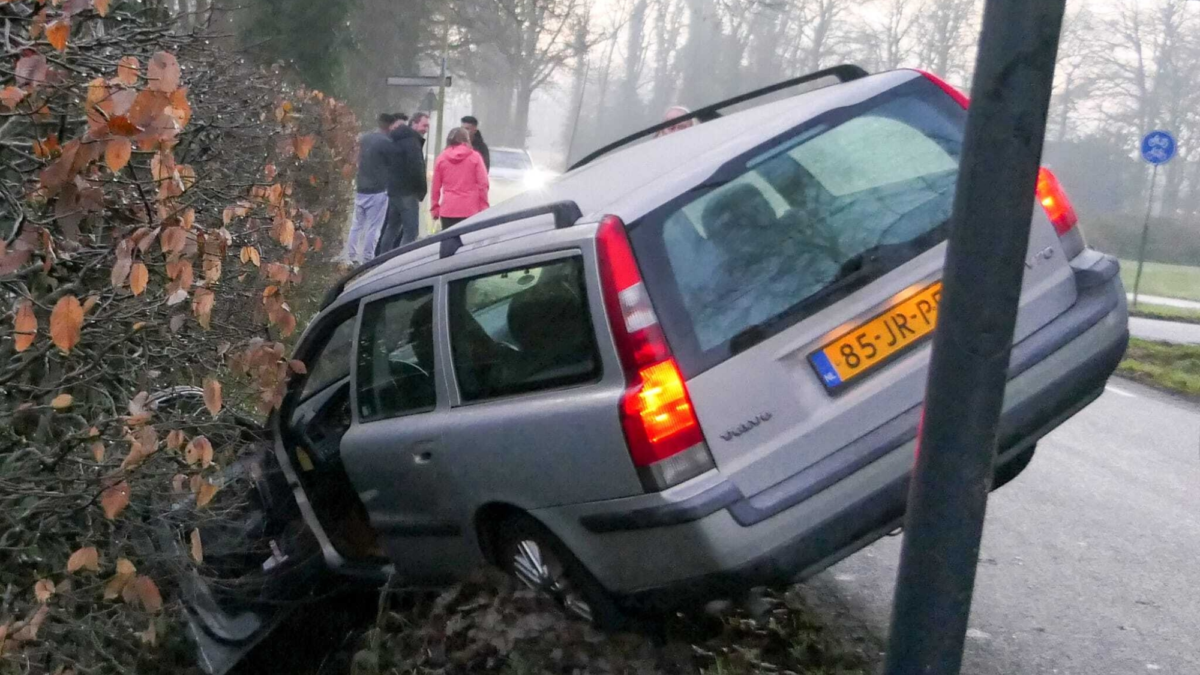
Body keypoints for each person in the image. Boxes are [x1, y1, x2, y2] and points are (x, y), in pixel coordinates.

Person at [341, 112, 402, 265]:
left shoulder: (364, 138)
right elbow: (395, 165)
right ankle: (368, 258)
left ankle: (351, 256)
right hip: (378, 190)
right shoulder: (387, 143)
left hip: (361, 187)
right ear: (391, 125)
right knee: (374, 227)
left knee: (356, 225)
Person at [376, 112, 430, 255]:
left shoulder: (394, 138)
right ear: (414, 123)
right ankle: (401, 263)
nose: (426, 129)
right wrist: (422, 190)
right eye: (424, 125)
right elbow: (417, 168)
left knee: (392, 228)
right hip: (408, 192)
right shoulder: (412, 141)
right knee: (411, 231)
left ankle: (381, 260)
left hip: (394, 190)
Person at [430, 127, 490, 229]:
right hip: (470, 209)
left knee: (449, 242)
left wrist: (435, 208)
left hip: (448, 209)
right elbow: (483, 184)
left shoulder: (441, 158)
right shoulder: (475, 157)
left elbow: (435, 186)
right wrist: (484, 206)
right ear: (467, 139)